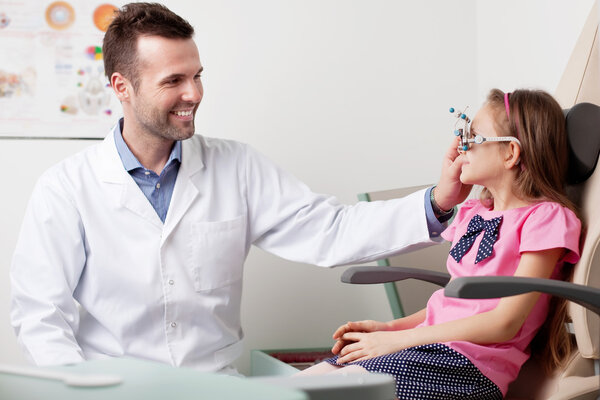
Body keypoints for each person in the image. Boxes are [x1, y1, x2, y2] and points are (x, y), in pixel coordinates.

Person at [9, 3, 469, 373]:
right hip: (113, 389)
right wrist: (79, 388)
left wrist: (439, 201)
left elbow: (330, 230)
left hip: (214, 387)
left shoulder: (237, 166)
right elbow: (40, 315)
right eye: (174, 81)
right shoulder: (66, 188)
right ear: (121, 86)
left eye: (197, 75)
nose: (194, 94)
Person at [297, 88, 582, 399]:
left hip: (467, 370)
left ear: (510, 153)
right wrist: (389, 329)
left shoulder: (546, 219)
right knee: (307, 383)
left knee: (334, 390)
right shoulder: (474, 213)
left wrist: (399, 341)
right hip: (427, 351)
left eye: (472, 138)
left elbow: (505, 323)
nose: (460, 148)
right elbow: (450, 305)